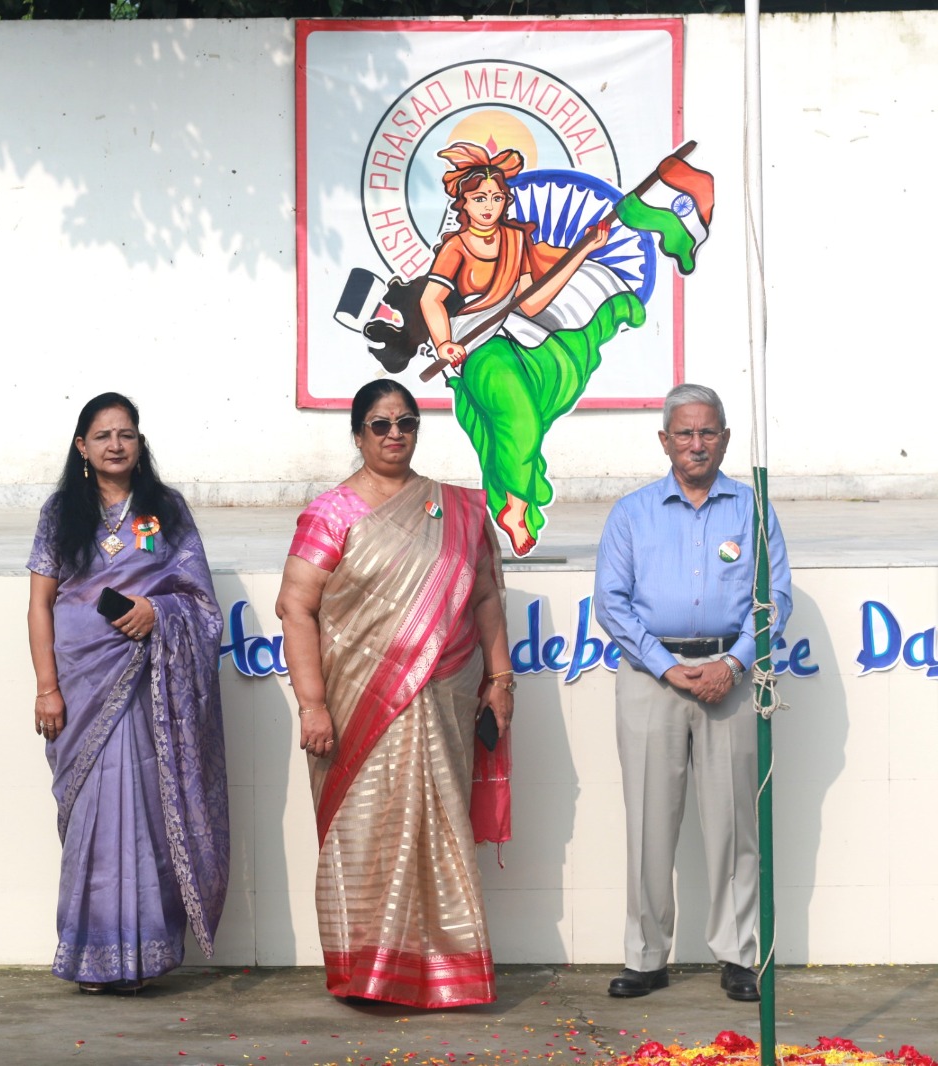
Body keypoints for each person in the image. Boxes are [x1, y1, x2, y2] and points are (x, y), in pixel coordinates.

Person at [274, 379, 514, 1007]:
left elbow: (485, 597)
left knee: (439, 829)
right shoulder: (332, 513)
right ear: (359, 435)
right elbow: (296, 607)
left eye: (406, 422)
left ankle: (445, 972)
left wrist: (499, 679)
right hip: (359, 706)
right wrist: (313, 705)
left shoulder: (457, 509)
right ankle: (368, 974)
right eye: (380, 425)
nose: (395, 434)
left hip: (444, 700)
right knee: (364, 834)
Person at [25, 392, 230, 994]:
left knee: (146, 815)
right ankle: (91, 956)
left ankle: (142, 958)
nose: (116, 445)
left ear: (140, 443)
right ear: (82, 447)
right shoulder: (61, 512)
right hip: (80, 687)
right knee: (91, 818)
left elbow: (200, 603)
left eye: (127, 434)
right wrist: (46, 688)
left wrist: (157, 613)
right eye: (103, 435)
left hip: (149, 687)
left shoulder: (166, 509)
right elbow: (39, 604)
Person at [593, 383, 792, 1003]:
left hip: (728, 676)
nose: (697, 443)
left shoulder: (752, 510)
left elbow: (776, 598)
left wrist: (733, 663)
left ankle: (737, 955)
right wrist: (665, 666)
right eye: (685, 432)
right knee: (649, 822)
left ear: (725, 439)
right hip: (652, 678)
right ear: (665, 440)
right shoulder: (632, 512)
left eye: (708, 432)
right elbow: (611, 602)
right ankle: (646, 957)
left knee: (734, 824)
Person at [418, 141, 638, 557]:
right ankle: (516, 511)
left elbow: (532, 303)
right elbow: (432, 300)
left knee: (529, 422)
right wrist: (444, 343)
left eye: (496, 198)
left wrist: (582, 253)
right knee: (520, 420)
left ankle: (513, 509)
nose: (489, 206)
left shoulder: (515, 241)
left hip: (515, 337)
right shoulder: (456, 247)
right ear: (463, 203)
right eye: (479, 198)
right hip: (476, 346)